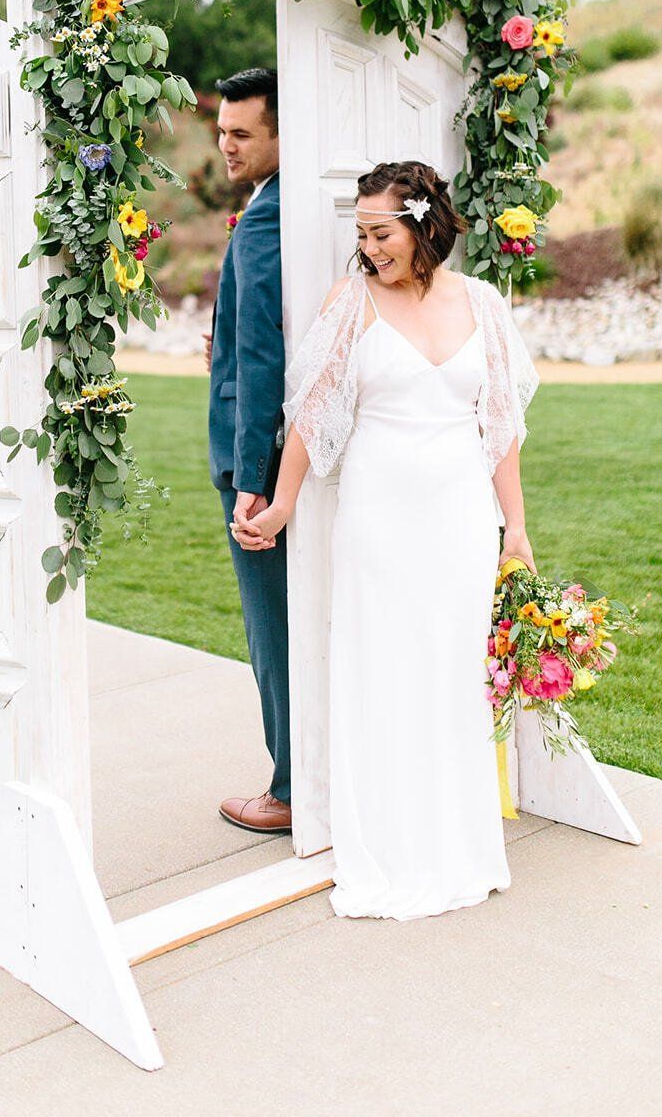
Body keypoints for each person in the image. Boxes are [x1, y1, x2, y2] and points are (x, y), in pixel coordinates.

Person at [233, 158, 540, 918]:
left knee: (448, 672)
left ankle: (457, 842)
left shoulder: (482, 303)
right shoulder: (351, 301)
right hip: (377, 512)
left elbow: (499, 428)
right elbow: (312, 410)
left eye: (381, 233)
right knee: (383, 670)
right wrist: (279, 504)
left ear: (422, 223)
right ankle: (385, 842)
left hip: (460, 515)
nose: (370, 248)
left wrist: (516, 530)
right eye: (362, 234)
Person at [204, 67, 292, 834]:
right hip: (281, 449)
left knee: (274, 630)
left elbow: (264, 355)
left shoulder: (266, 220)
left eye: (241, 133)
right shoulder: (278, 207)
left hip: (255, 462)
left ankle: (290, 790)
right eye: (221, 130)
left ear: (277, 136)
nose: (224, 145)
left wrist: (251, 481)